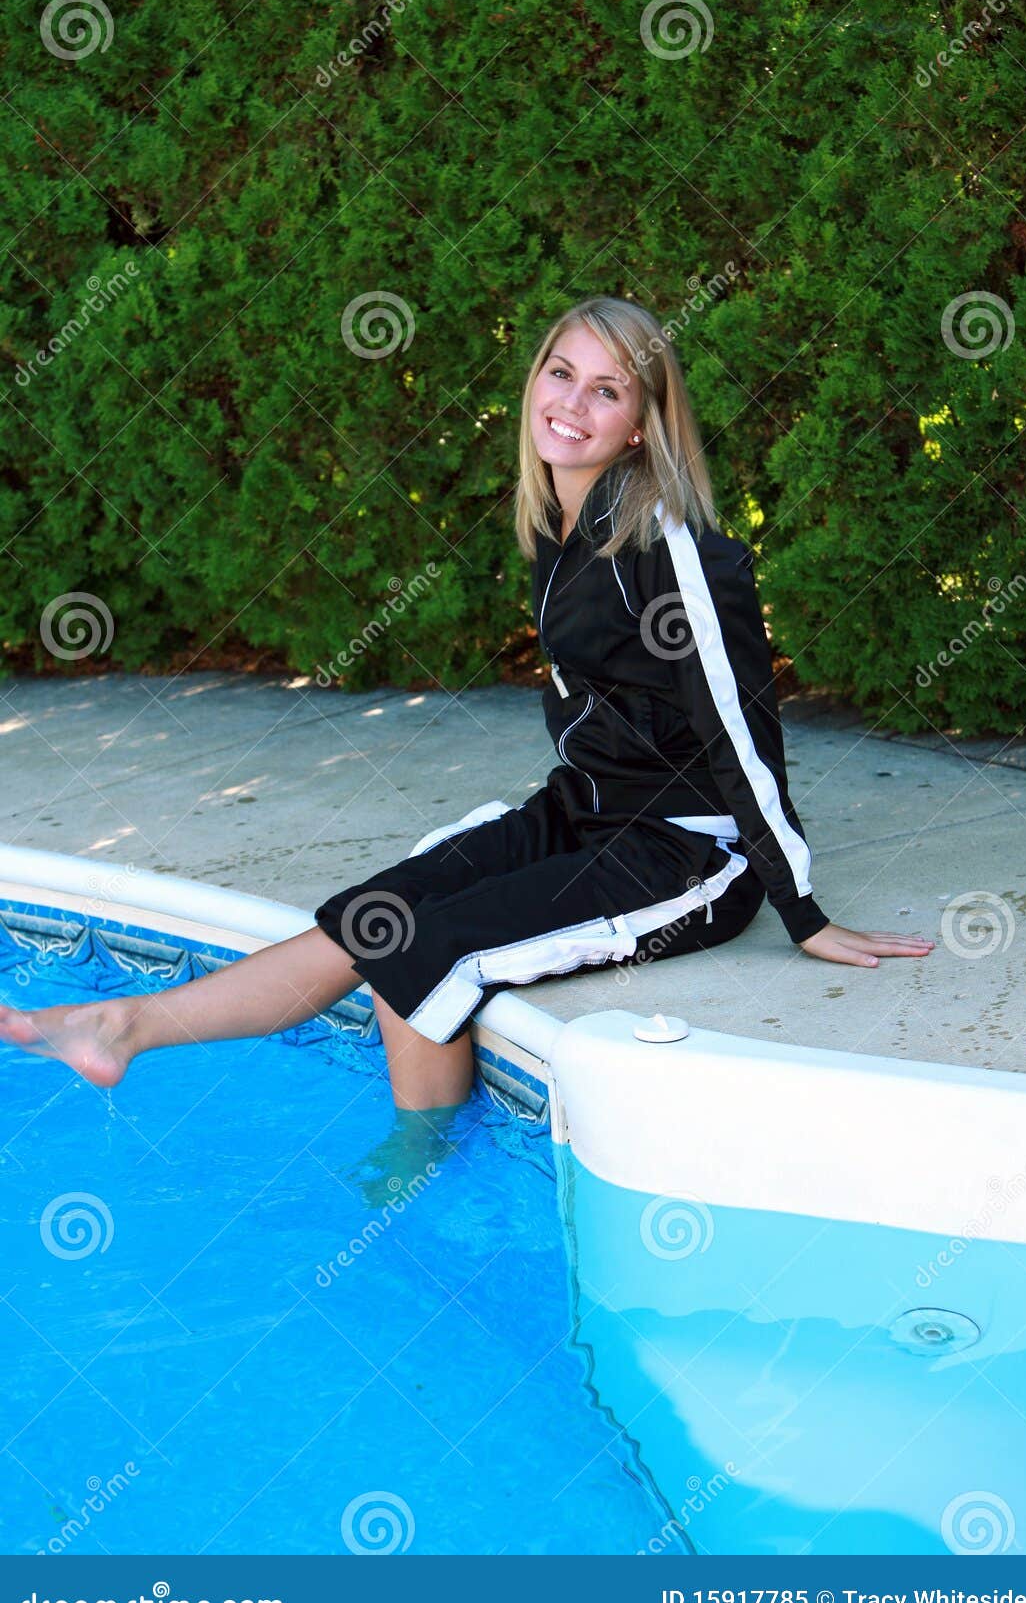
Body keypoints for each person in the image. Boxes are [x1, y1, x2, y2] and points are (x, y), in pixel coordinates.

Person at [0, 296, 934, 1165]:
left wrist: (800, 910)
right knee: (379, 916)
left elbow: (740, 726)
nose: (571, 403)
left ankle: (417, 1181)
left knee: (419, 957)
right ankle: (123, 1027)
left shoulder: (675, 549)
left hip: (688, 855)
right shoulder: (558, 523)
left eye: (606, 390)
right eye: (559, 372)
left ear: (643, 421)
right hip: (585, 809)